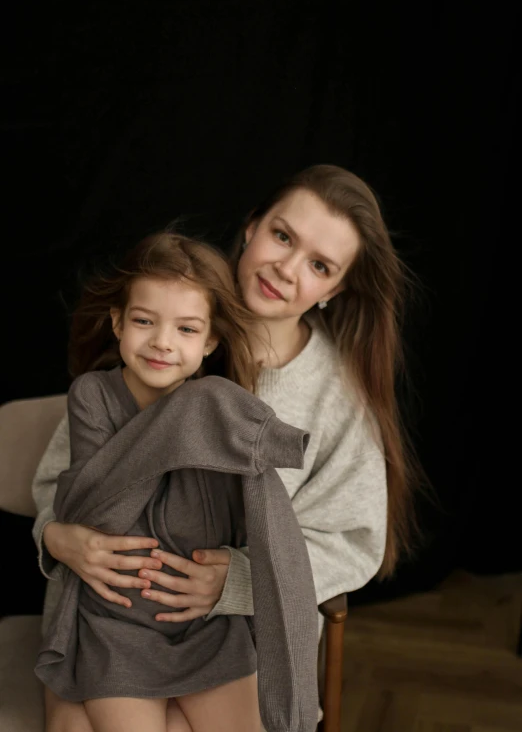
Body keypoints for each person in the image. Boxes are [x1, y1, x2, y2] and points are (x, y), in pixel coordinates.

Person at [33, 164, 421, 731]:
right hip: (108, 619)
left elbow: (353, 539)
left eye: (319, 266)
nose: (286, 269)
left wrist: (238, 581)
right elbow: (58, 483)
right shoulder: (163, 334)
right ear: (251, 227)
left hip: (242, 637)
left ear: (334, 290)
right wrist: (55, 535)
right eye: (282, 236)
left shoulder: (337, 394)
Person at [33, 231, 319, 732]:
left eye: (187, 329)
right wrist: (185, 413)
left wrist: (199, 410)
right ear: (118, 322)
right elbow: (98, 515)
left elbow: (244, 531)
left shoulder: (221, 411)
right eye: (144, 321)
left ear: (210, 341)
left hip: (205, 626)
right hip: (114, 624)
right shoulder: (95, 397)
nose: (163, 342)